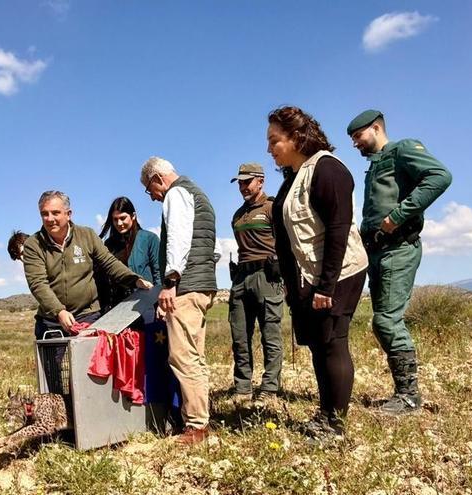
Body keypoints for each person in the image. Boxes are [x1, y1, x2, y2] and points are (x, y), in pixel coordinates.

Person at [267, 106, 368, 440]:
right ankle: (325, 413)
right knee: (318, 345)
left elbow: (339, 231)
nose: (270, 149)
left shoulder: (327, 170)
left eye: (274, 140)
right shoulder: (292, 179)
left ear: (296, 137)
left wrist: (325, 287)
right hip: (308, 277)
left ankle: (336, 425)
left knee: (333, 343)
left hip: (338, 274)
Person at [346, 109, 452, 415]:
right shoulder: (377, 163)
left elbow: (440, 177)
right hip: (378, 251)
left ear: (377, 128)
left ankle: (409, 396)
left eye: (358, 136)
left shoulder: (403, 149)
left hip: (399, 248)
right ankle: (404, 392)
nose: (355, 143)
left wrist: (399, 215)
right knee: (382, 321)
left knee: (387, 321)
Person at [140, 156, 218, 445]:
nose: (154, 197)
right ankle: (198, 419)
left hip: (186, 288)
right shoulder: (199, 194)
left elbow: (178, 239)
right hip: (203, 285)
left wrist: (170, 282)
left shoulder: (176, 193)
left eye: (151, 191)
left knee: (183, 357)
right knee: (194, 356)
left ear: (158, 179)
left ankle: (196, 427)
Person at [98, 196, 182, 433]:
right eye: (115, 219)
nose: (119, 224)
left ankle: (165, 414)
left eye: (123, 218)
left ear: (133, 216)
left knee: (154, 364)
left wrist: (158, 304)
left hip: (147, 311)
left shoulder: (148, 239)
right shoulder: (108, 246)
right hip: (118, 314)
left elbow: (158, 273)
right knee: (127, 364)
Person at [23, 190, 153, 340]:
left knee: (89, 363)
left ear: (68, 213)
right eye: (45, 214)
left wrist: (135, 279)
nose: (50, 219)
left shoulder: (87, 235)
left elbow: (109, 263)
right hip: (51, 322)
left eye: (55, 213)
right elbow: (38, 283)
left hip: (88, 317)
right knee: (54, 364)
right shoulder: (33, 245)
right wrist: (58, 311)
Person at [227, 163, 285, 404]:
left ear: (260, 181)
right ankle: (242, 388)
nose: (243, 187)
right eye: (239, 182)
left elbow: (286, 243)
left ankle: (270, 389)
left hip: (267, 276)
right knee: (240, 336)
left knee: (270, 335)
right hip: (241, 277)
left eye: (247, 181)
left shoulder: (273, 208)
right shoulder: (238, 215)